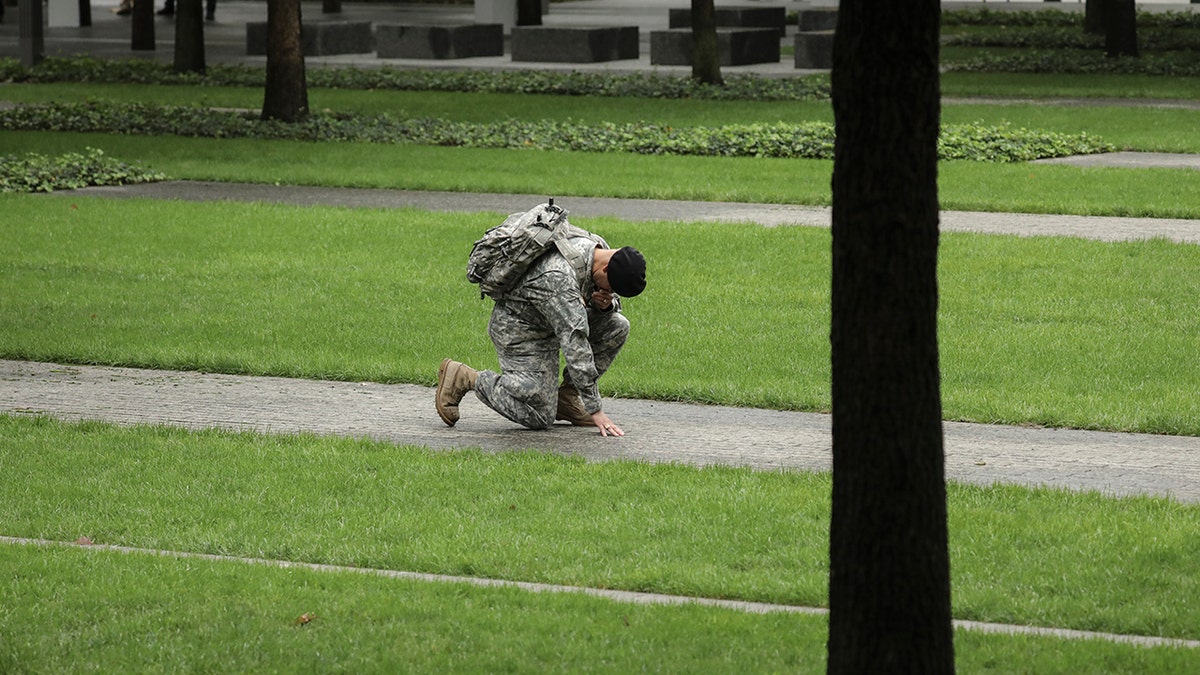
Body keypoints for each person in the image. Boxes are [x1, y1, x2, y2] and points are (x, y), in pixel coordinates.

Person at [436, 228, 647, 437]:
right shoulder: (558, 276)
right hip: (521, 329)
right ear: (607, 267)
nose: (609, 292)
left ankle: (567, 398)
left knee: (617, 325)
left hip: (552, 321)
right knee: (539, 415)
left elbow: (591, 309)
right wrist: (595, 409)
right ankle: (467, 378)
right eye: (610, 288)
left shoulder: (601, 250)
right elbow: (575, 342)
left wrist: (605, 306)